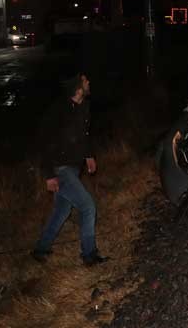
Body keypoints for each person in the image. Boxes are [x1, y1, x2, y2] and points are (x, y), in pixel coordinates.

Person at [31, 73, 108, 266]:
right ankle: (89, 254)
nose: (89, 82)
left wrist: (89, 155)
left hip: (74, 167)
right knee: (87, 206)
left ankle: (41, 249)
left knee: (61, 210)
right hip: (60, 168)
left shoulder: (84, 108)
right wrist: (49, 175)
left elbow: (83, 136)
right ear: (78, 87)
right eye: (85, 80)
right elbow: (44, 143)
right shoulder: (58, 111)